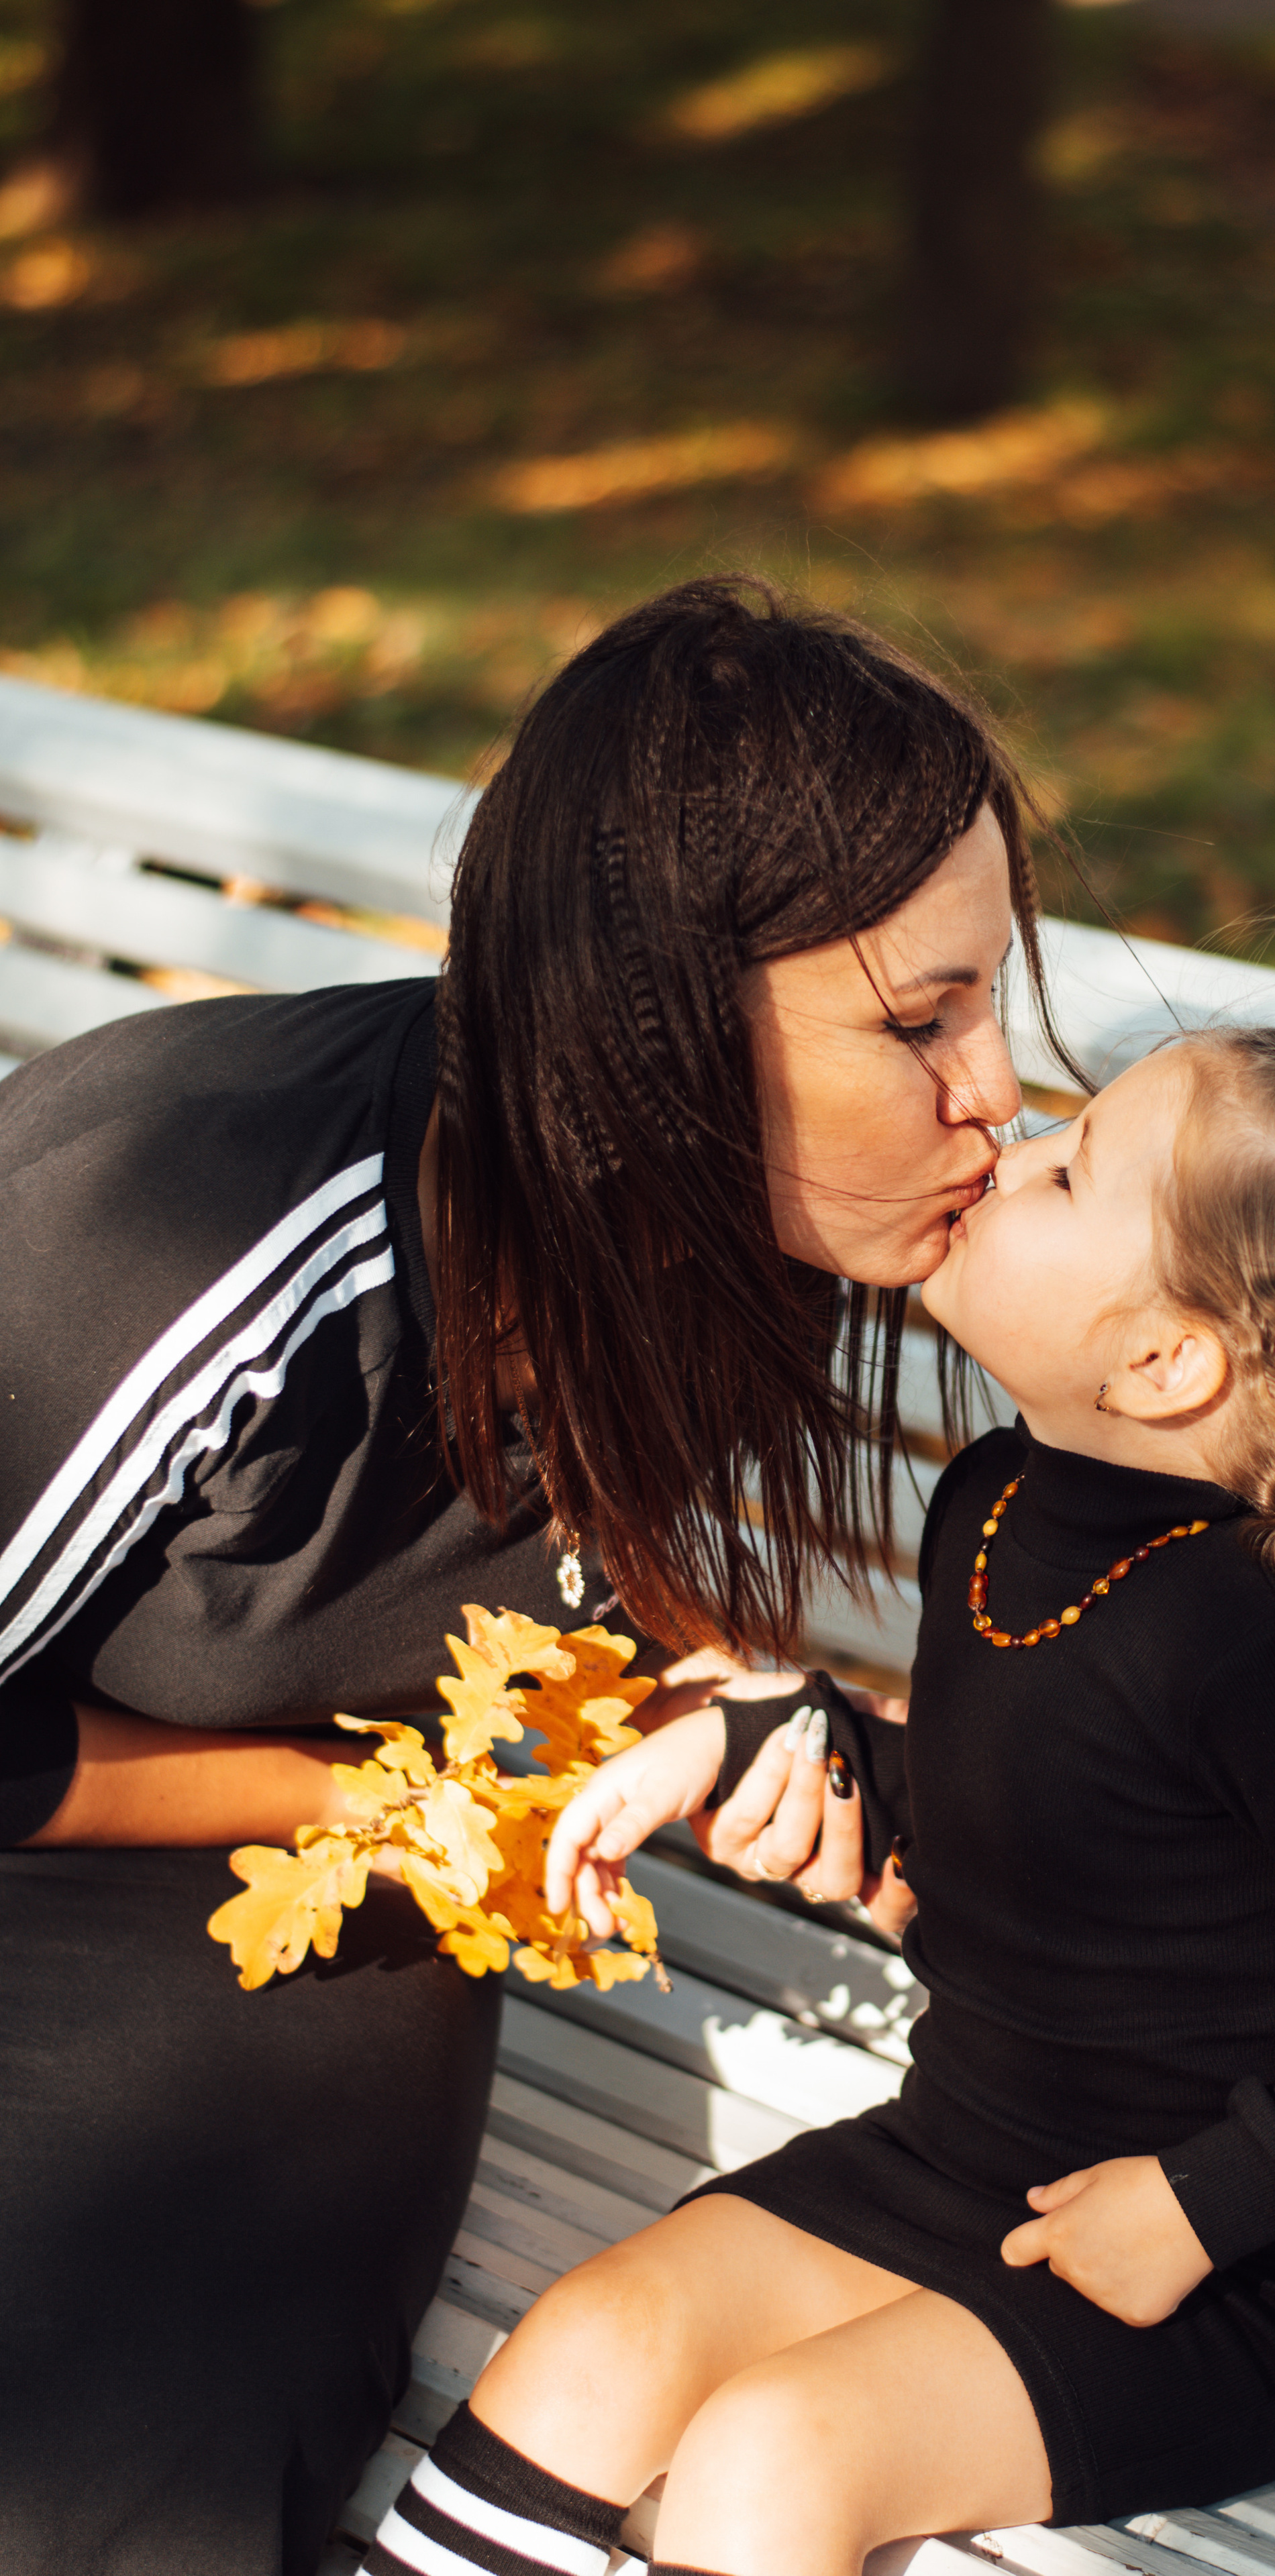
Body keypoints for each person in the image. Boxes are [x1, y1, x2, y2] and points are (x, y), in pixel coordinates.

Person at [0, 577, 1072, 2574]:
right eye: (918, 1021)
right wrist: (358, 1796)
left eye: (988, 999)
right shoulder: (187, 1239)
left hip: (294, 1907)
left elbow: (544, 1563)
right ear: (649, 1030)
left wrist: (718, 1703)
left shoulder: (733, 1231)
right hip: (130, 1824)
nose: (995, 1090)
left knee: (136, 2487)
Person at [371, 1024, 1275, 2576]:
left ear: (1161, 1363)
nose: (1008, 1156)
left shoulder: (1255, 1642)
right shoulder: (996, 1502)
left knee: (772, 2450)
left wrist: (1201, 2206)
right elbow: (1026, 1816)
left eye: (1069, 1172)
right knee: (596, 2335)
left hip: (1196, 2287)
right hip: (948, 2164)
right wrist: (764, 1742)